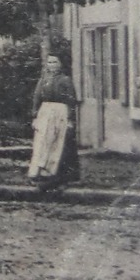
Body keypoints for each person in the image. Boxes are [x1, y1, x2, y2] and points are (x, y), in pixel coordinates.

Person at [27, 52, 81, 191]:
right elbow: (36, 98)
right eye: (49, 62)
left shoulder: (65, 80)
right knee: (42, 141)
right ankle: (38, 172)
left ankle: (54, 173)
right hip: (45, 112)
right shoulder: (43, 80)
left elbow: (71, 101)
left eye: (55, 62)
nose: (52, 65)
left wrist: (70, 119)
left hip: (60, 112)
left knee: (57, 142)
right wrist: (35, 115)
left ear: (61, 64)